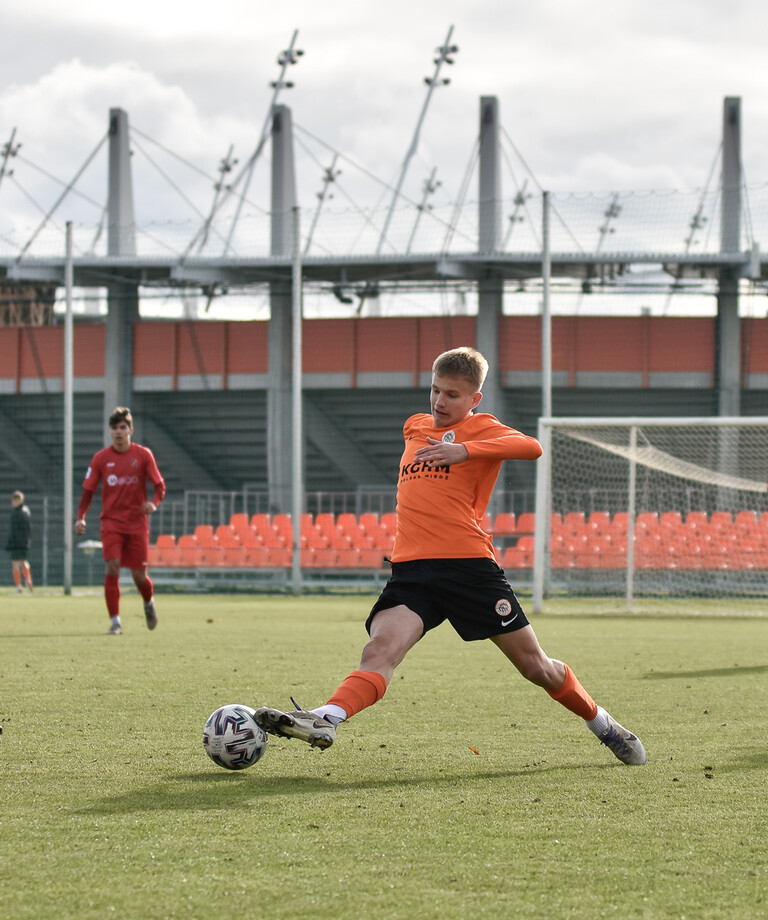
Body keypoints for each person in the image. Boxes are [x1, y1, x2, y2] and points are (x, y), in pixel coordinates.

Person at [255, 347, 646, 766]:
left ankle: (603, 723)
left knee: (537, 668)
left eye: (453, 395)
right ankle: (326, 717)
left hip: (469, 569)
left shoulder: (483, 429)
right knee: (379, 651)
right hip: (411, 571)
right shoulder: (415, 427)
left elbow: (531, 447)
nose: (440, 402)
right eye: (436, 390)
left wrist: (467, 451)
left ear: (475, 399)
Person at [75, 407, 166, 635]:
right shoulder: (101, 459)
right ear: (110, 432)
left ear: (130, 430)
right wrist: (80, 517)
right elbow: (88, 490)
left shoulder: (144, 455)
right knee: (112, 566)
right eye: (114, 428)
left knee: (139, 576)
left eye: (122, 428)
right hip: (111, 523)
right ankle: (115, 622)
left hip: (137, 524)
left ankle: (148, 603)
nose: (118, 432)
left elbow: (159, 486)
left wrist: (153, 503)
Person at [6, 490, 33, 593]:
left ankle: (19, 587)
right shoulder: (27, 511)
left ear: (18, 500)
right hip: (25, 542)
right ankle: (29, 580)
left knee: (15, 564)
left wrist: (11, 543)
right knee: (24, 562)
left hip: (17, 543)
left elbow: (14, 530)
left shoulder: (16, 513)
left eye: (14, 501)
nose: (13, 503)